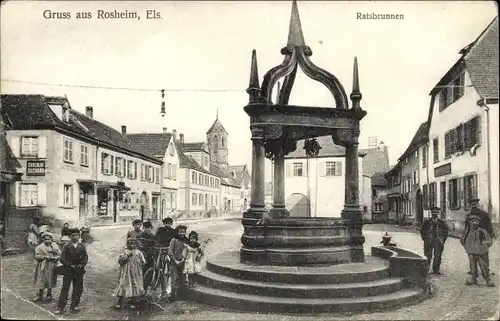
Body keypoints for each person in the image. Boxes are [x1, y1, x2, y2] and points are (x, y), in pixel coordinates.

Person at [55, 228, 88, 315]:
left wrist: (81, 265)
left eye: (76, 235)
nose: (75, 237)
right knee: (65, 288)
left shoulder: (82, 246)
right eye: (73, 235)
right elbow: (62, 258)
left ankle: (74, 305)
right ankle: (60, 307)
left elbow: (85, 257)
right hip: (68, 270)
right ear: (70, 236)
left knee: (77, 289)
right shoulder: (66, 246)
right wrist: (69, 265)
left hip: (79, 270)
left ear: (79, 236)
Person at [462, 198, 495, 276]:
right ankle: (473, 269)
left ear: (478, 205)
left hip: (483, 236)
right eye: (472, 205)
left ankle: (486, 270)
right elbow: (466, 227)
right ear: (470, 206)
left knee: (484, 253)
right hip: (471, 237)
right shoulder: (469, 216)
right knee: (472, 253)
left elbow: (489, 226)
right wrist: (464, 237)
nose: (474, 206)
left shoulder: (485, 214)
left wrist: (490, 236)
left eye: (475, 204)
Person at [463, 214, 495, 286]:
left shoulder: (482, 231)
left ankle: (487, 279)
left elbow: (489, 241)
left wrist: (483, 246)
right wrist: (467, 248)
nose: (474, 223)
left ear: (478, 223)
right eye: (473, 221)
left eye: (476, 221)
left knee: (484, 266)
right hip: (471, 252)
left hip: (481, 252)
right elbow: (463, 240)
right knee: (473, 266)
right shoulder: (467, 231)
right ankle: (473, 279)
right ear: (470, 222)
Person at [114, 238, 146, 309]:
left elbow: (143, 262)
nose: (131, 245)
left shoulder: (139, 252)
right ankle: (120, 301)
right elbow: (120, 261)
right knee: (123, 285)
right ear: (127, 244)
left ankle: (133, 301)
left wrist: (139, 267)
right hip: (125, 272)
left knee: (134, 285)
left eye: (133, 243)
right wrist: (127, 256)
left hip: (135, 272)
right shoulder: (124, 252)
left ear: (136, 244)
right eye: (129, 243)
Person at [32, 232, 61, 302]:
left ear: (51, 239)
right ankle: (40, 295)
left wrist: (55, 257)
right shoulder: (39, 247)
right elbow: (36, 256)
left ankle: (49, 294)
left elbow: (60, 254)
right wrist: (44, 257)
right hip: (43, 265)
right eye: (45, 239)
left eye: (49, 239)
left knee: (50, 279)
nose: (47, 241)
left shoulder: (54, 246)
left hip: (52, 265)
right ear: (43, 240)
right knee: (42, 279)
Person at [420, 207, 449, 275]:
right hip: (429, 241)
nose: (434, 215)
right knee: (427, 255)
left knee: (438, 255)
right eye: (433, 213)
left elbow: (446, 232)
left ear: (438, 213)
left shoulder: (442, 223)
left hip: (438, 241)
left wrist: (443, 240)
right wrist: (425, 239)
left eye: (435, 213)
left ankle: (436, 270)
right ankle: (426, 269)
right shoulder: (426, 222)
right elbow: (422, 231)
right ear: (431, 213)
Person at [168, 225, 188, 300]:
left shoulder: (186, 241)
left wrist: (183, 260)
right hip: (174, 262)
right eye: (179, 232)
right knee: (174, 278)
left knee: (183, 278)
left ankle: (182, 295)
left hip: (183, 263)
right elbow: (170, 251)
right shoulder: (173, 240)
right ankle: (172, 296)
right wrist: (175, 260)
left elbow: (188, 252)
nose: (181, 233)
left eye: (183, 232)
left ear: (185, 232)